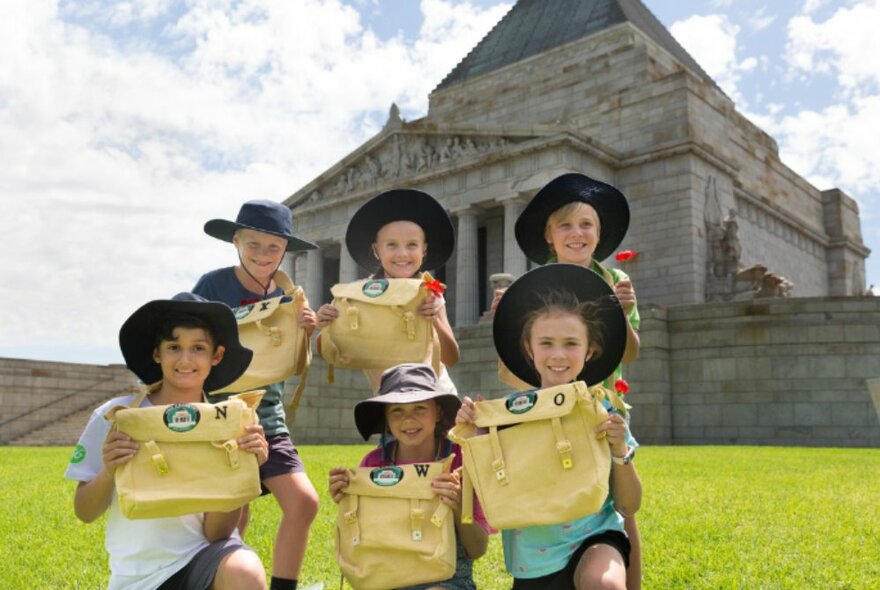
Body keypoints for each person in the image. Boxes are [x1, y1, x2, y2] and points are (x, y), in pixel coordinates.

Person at [497, 173, 643, 589]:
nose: (576, 234)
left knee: (617, 505)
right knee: (552, 484)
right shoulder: (533, 286)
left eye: (586, 225)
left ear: (600, 234)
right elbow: (514, 357)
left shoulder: (617, 282)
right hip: (544, 401)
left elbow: (630, 351)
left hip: (600, 404)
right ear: (549, 235)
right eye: (565, 225)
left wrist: (621, 316)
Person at [65, 292, 269, 590]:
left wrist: (243, 473)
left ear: (217, 355)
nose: (185, 359)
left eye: (198, 348)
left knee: (244, 572)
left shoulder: (230, 422)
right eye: (174, 347)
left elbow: (217, 534)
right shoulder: (116, 416)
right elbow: (84, 511)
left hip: (202, 562)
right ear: (157, 353)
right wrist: (110, 470)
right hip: (137, 579)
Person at [459, 265, 641, 590]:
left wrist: (619, 452)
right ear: (529, 349)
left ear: (590, 350)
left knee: (604, 584)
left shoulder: (603, 408)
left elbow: (629, 505)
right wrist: (476, 435)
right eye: (546, 343)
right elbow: (492, 494)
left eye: (571, 343)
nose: (558, 354)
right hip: (533, 562)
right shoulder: (510, 415)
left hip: (596, 538)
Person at [193, 199, 320, 590]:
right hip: (218, 416)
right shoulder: (212, 285)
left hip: (268, 419)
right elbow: (187, 344)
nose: (264, 255)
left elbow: (294, 363)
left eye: (274, 247)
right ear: (235, 240)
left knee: (303, 502)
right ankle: (228, 580)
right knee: (233, 514)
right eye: (254, 244)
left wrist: (307, 331)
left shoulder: (289, 292)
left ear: (285, 250)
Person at [328, 364, 490, 590]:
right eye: (397, 411)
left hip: (446, 579)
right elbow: (362, 545)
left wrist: (458, 505)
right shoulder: (372, 464)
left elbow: (478, 549)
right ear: (386, 417)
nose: (409, 420)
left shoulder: (460, 460)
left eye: (420, 408)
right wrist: (347, 501)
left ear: (438, 412)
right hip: (384, 579)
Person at [316, 189, 460, 394]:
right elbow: (327, 351)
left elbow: (452, 358)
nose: (402, 254)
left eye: (412, 245)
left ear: (424, 249)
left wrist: (435, 319)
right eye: (391, 245)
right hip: (389, 402)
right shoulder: (357, 294)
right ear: (376, 250)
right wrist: (326, 325)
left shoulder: (430, 291)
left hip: (436, 397)